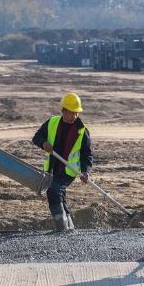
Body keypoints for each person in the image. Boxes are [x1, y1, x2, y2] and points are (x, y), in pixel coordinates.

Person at [32, 92, 93, 231]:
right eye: (71, 113)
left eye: (76, 113)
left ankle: (62, 228)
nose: (74, 116)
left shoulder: (82, 131)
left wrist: (85, 171)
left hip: (69, 170)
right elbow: (36, 138)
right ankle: (69, 227)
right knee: (59, 194)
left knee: (53, 191)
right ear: (63, 111)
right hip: (53, 168)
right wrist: (43, 143)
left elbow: (87, 155)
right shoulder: (52, 122)